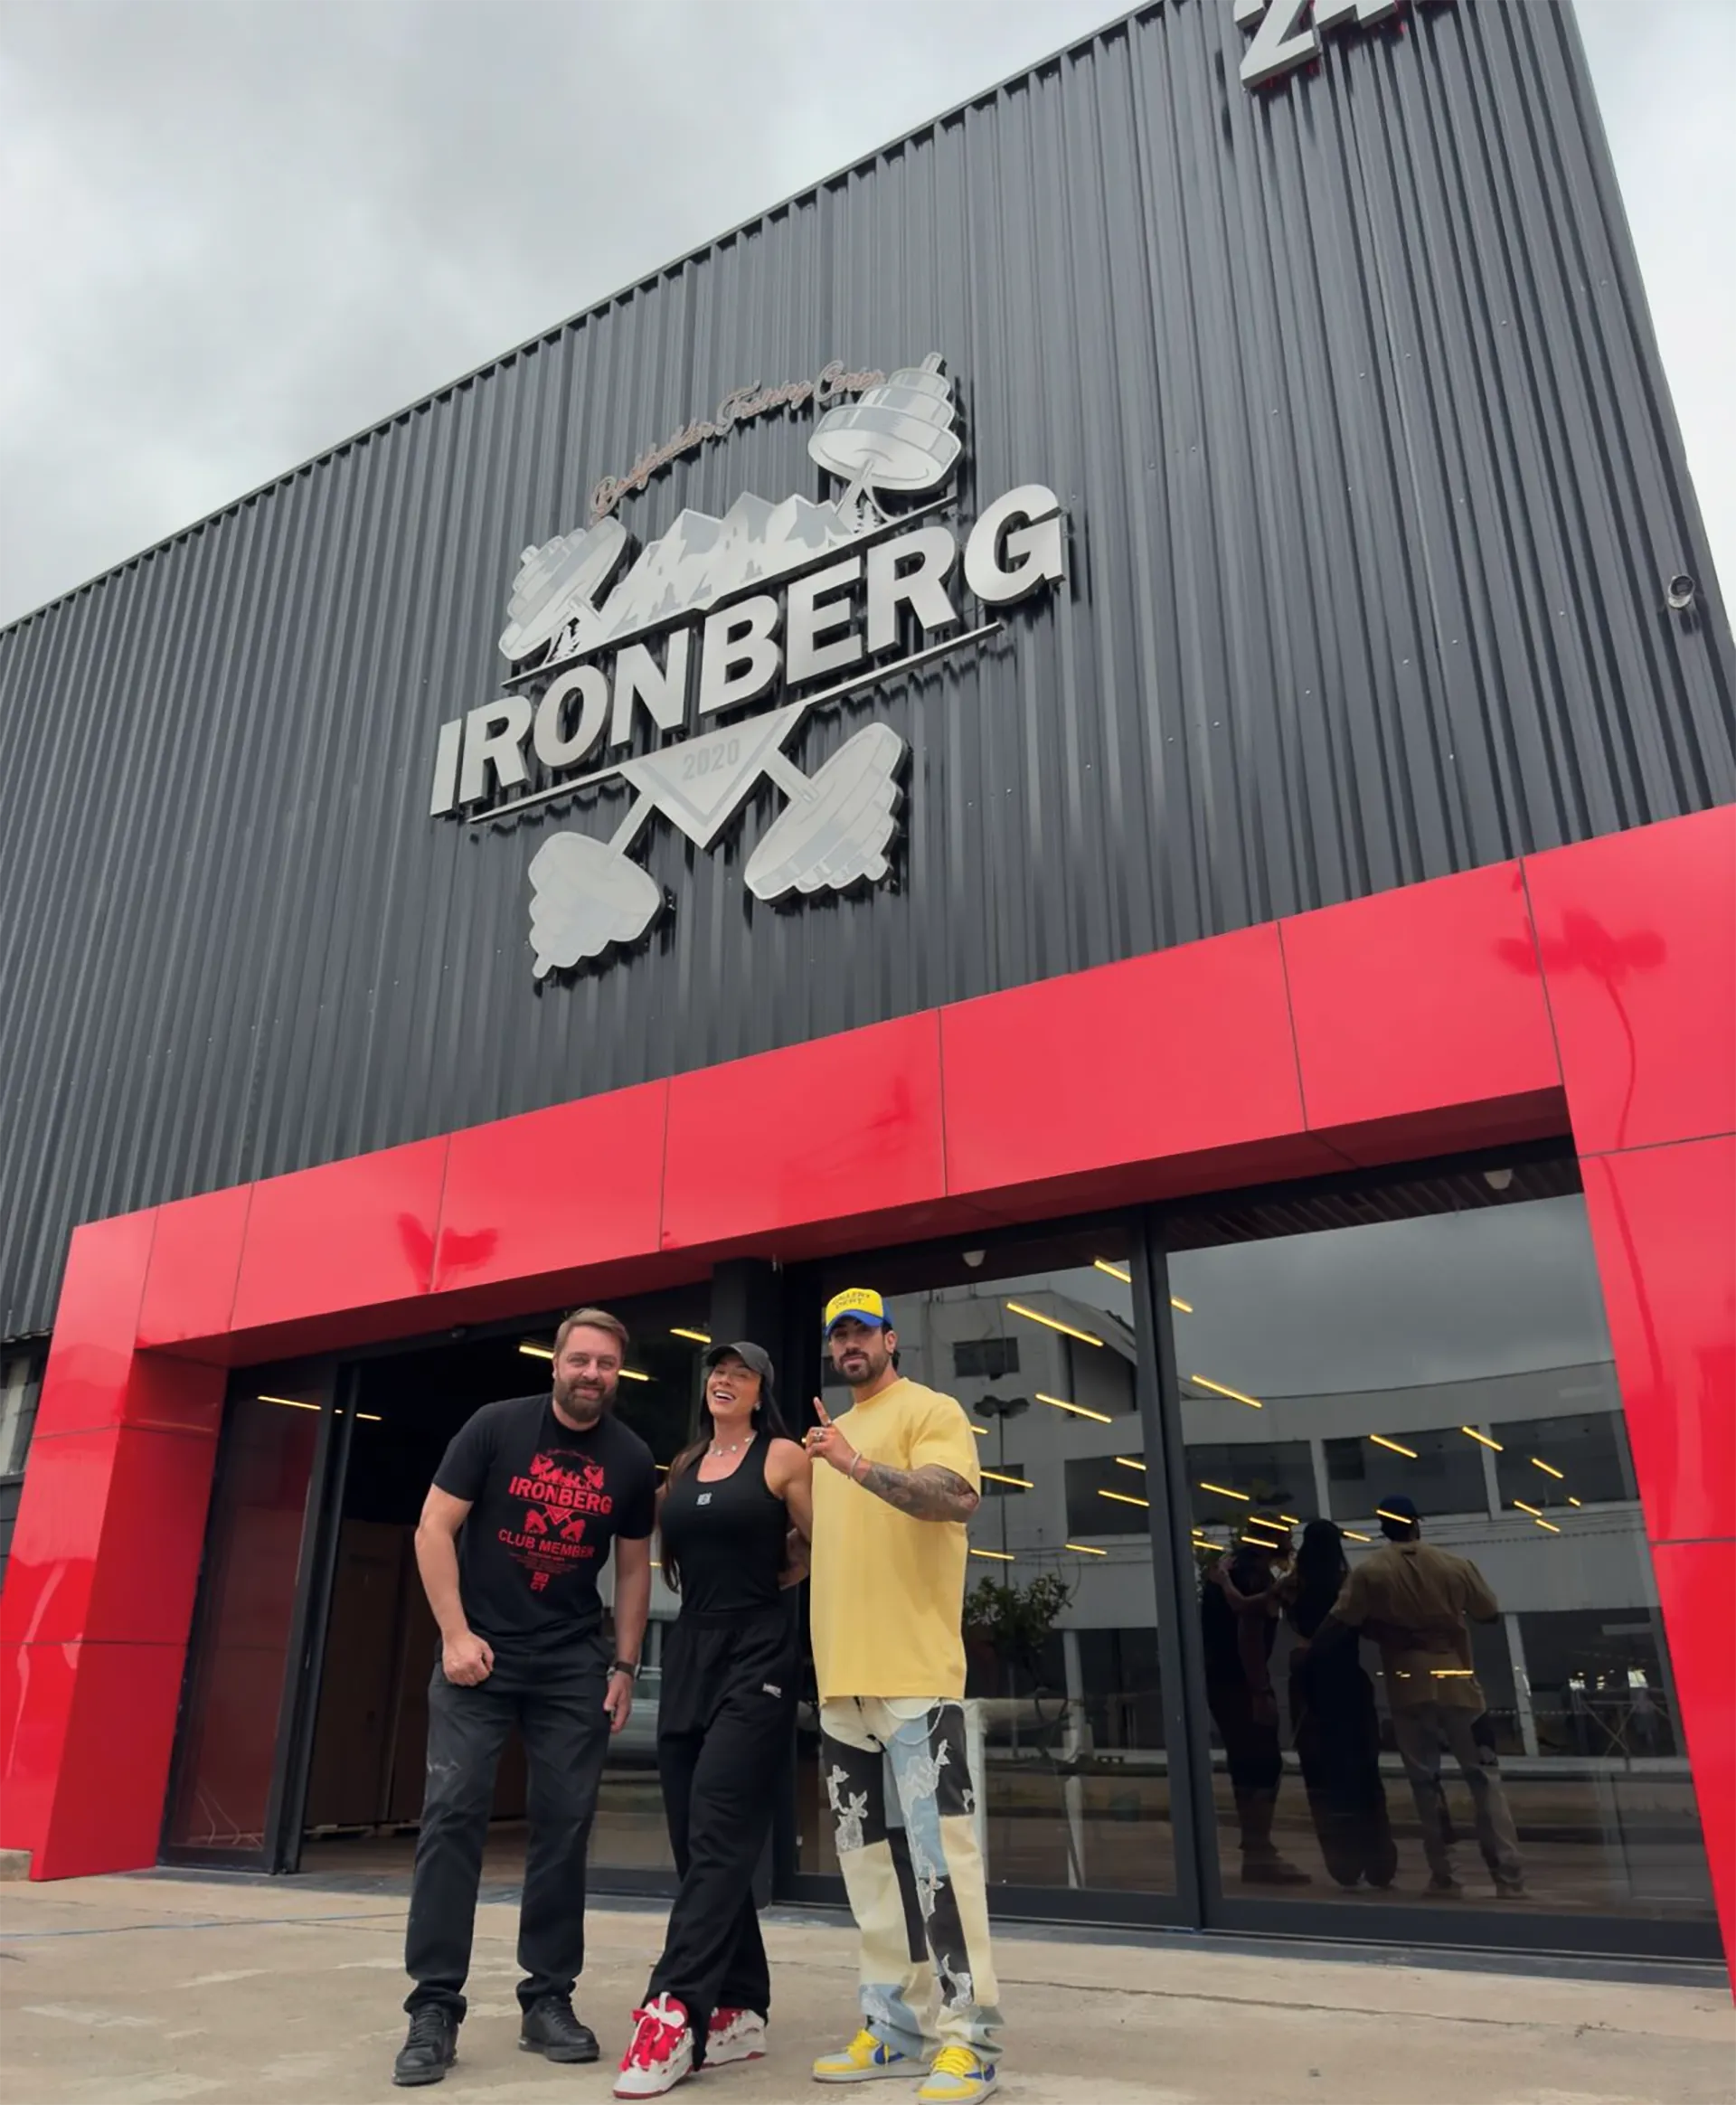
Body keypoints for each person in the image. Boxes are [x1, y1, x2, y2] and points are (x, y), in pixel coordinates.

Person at [392, 1307, 657, 2088]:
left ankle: (547, 2000)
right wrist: (454, 1634)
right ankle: (433, 2008)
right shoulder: (495, 1427)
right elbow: (432, 1529)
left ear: (616, 1373)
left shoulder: (631, 1457)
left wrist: (625, 1664)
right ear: (555, 1363)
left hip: (571, 1662)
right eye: (580, 1360)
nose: (591, 1375)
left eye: (605, 1364)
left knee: (565, 1827)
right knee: (453, 1816)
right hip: (479, 1655)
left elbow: (633, 1569)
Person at [804, 1288, 1003, 2105]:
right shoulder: (828, 1439)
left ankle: (971, 2042)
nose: (850, 1344)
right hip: (840, 1682)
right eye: (839, 1335)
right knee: (867, 1872)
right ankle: (895, 2028)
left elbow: (955, 1498)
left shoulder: (930, 1410)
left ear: (891, 1340)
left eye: (863, 1331)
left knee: (942, 1865)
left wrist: (853, 1464)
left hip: (916, 1677)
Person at [614, 1342, 814, 2099]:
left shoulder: (784, 1457)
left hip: (758, 1650)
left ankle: (674, 2008)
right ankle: (741, 2006)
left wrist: (777, 1577)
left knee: (720, 1824)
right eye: (717, 1371)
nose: (724, 1380)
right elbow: (660, 1548)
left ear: (761, 1392)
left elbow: (824, 1544)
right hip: (692, 1648)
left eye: (742, 1373)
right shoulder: (687, 1464)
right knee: (693, 1834)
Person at [1314, 1495, 1525, 1899]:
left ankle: (1446, 1875)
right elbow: (1489, 1613)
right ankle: (1508, 1876)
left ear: (1382, 1527)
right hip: (1459, 1682)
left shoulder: (1370, 1572)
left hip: (1407, 1684)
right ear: (1416, 1523)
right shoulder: (1455, 1565)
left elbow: (1339, 1622)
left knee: (1426, 1784)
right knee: (1485, 1780)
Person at [1283, 1520, 1397, 1890]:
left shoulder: (1293, 1589)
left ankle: (1342, 1861)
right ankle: (1380, 1860)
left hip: (1312, 1687)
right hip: (1349, 1683)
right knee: (1364, 1772)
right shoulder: (1347, 1587)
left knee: (1324, 1776)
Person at [1202, 1521, 1310, 1886]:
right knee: (1264, 1764)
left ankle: (1257, 1850)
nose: (1290, 1543)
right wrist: (1259, 1691)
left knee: (1245, 1762)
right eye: (1286, 1536)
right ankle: (1259, 1852)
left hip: (1220, 1682)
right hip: (1242, 1684)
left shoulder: (1229, 1568)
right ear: (1271, 1538)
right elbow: (1248, 1632)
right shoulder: (1256, 1575)